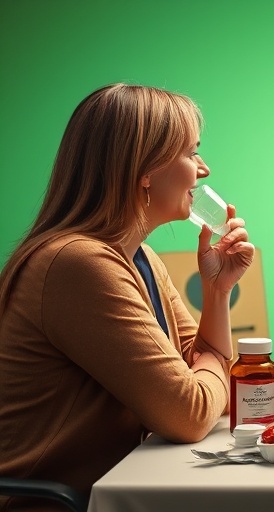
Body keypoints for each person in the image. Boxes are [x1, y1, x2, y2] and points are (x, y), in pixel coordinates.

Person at [0, 84, 253, 510]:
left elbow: (204, 367)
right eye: (191, 153)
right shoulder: (77, 264)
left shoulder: (140, 257)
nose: (203, 169)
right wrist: (211, 370)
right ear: (145, 170)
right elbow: (190, 413)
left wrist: (218, 291)